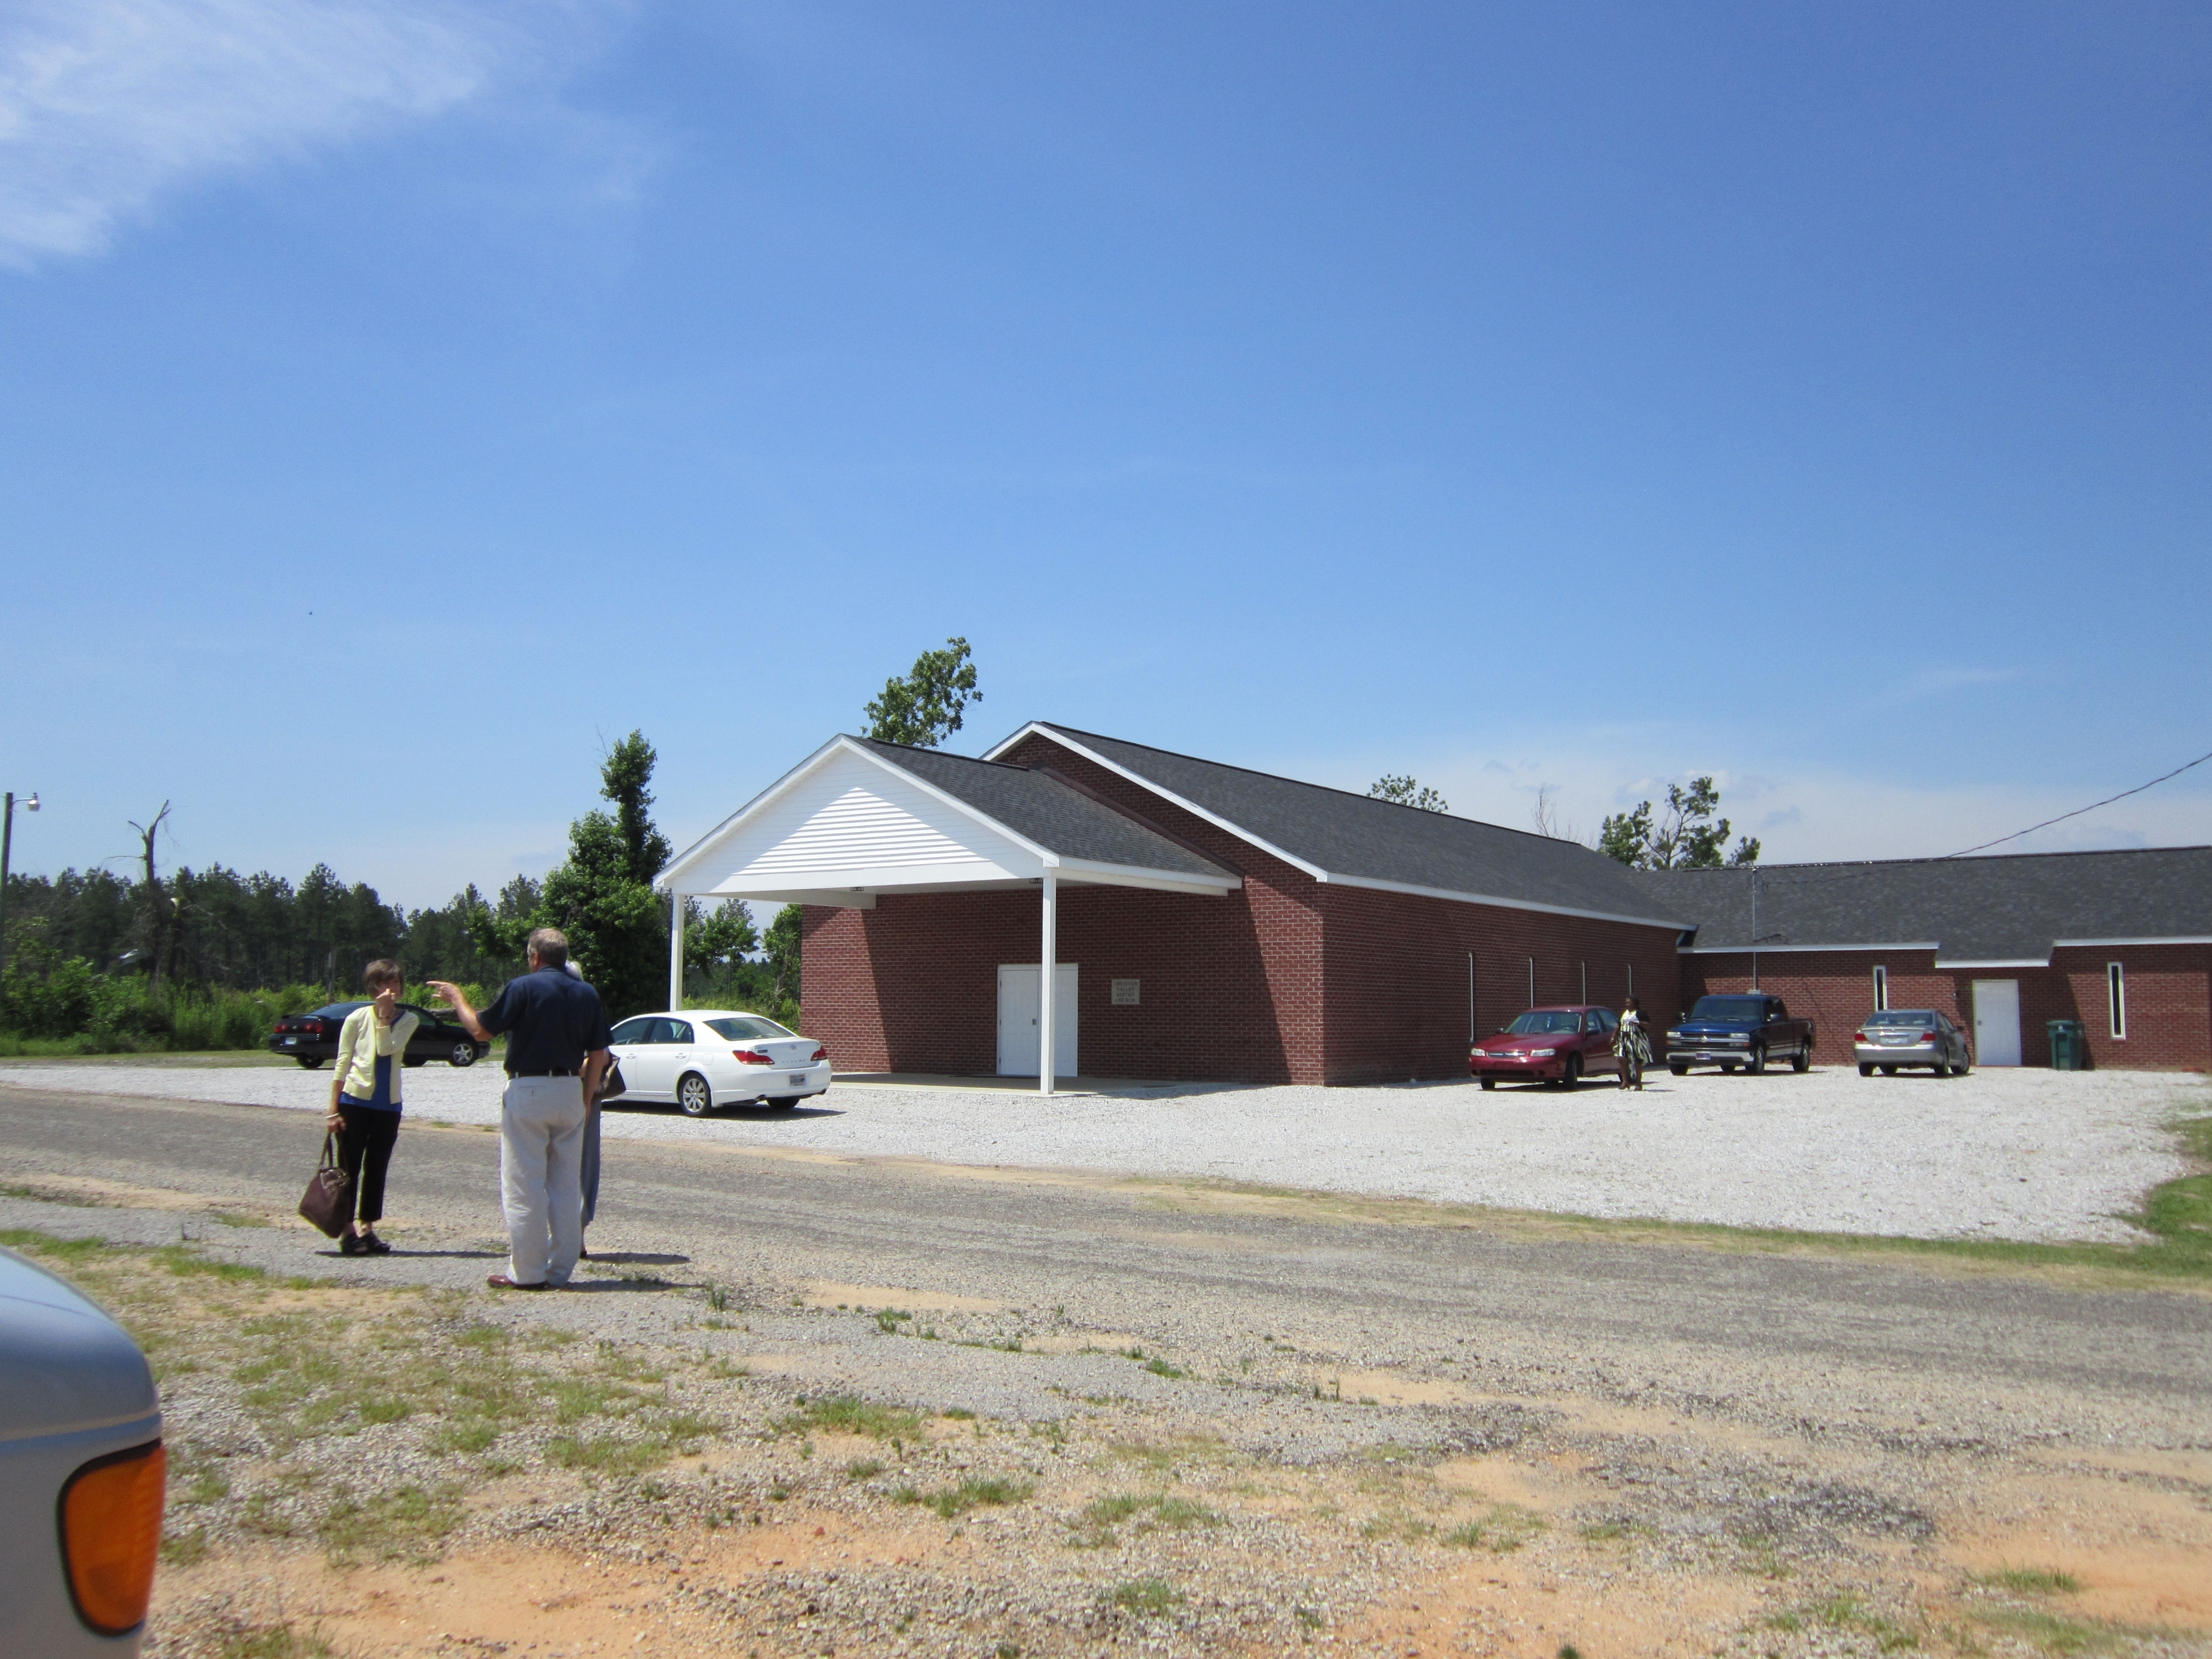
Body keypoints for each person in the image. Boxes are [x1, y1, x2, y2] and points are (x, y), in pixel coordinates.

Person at [428, 928, 611, 1290]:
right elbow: (599, 1054)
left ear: (535, 957)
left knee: (525, 1183)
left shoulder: (523, 988)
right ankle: (560, 1271)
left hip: (529, 1087)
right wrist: (587, 1099)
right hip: (570, 1089)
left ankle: (527, 1273)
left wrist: (458, 999)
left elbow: (481, 1032)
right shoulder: (587, 993)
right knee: (565, 1186)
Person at [325, 960, 420, 1256]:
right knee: (348, 1167)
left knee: (377, 1167)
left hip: (388, 1107)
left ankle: (368, 1229)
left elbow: (387, 1048)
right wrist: (332, 1110)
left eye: (397, 983)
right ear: (374, 988)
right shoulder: (355, 1018)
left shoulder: (408, 1020)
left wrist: (386, 1018)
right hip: (353, 1102)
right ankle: (347, 1230)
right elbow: (342, 1064)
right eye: (386, 983)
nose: (393, 989)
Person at [1615, 995, 1651, 1092]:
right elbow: (1619, 1025)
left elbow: (1648, 1026)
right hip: (1624, 1038)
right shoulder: (1625, 1013)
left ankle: (1638, 1084)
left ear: (1634, 1003)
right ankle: (1625, 1082)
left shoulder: (1641, 1013)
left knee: (1637, 1060)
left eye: (1628, 1003)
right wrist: (1613, 1037)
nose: (1626, 1005)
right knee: (1621, 1058)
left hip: (1637, 1038)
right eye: (1626, 1003)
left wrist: (1638, 1023)